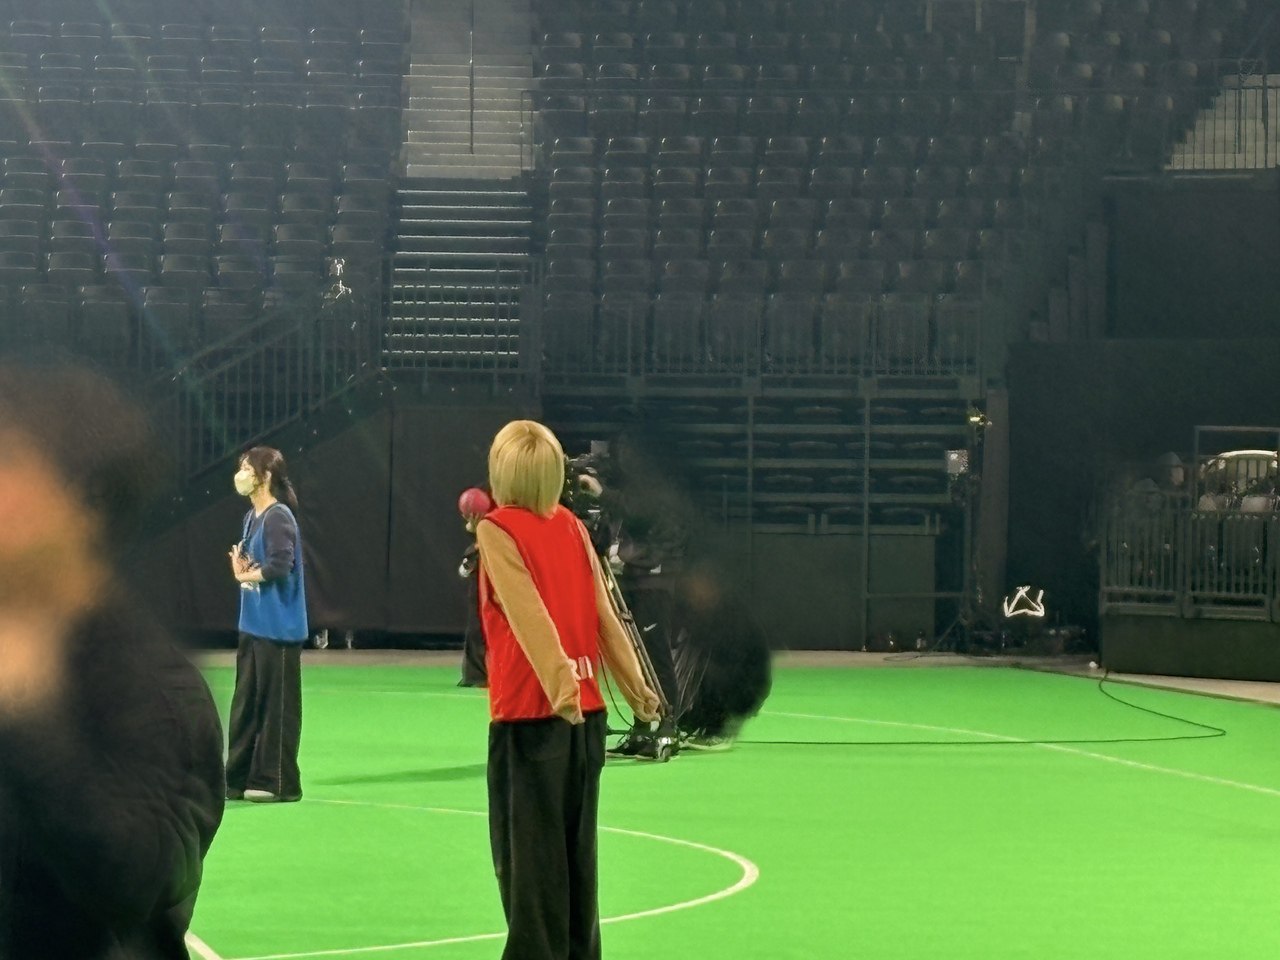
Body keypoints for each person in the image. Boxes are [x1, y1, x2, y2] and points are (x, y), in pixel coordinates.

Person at [0, 363, 225, 958]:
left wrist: (28, 716)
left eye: (9, 460)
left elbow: (135, 884)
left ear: (82, 504)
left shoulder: (157, 693)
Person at [475, 420, 660, 960]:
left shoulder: (497, 529)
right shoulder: (573, 527)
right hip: (588, 716)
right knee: (578, 855)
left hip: (531, 715)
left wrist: (559, 686)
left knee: (529, 863)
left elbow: (528, 614)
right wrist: (636, 687)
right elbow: (606, 614)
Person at [226, 445, 308, 803]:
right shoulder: (251, 517)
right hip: (253, 624)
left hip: (279, 628)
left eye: (248, 468)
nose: (242, 474)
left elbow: (279, 566)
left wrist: (246, 574)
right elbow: (253, 562)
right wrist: (243, 566)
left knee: (278, 708)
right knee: (245, 705)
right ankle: (237, 776)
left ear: (266, 475)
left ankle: (278, 781)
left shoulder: (278, 517)